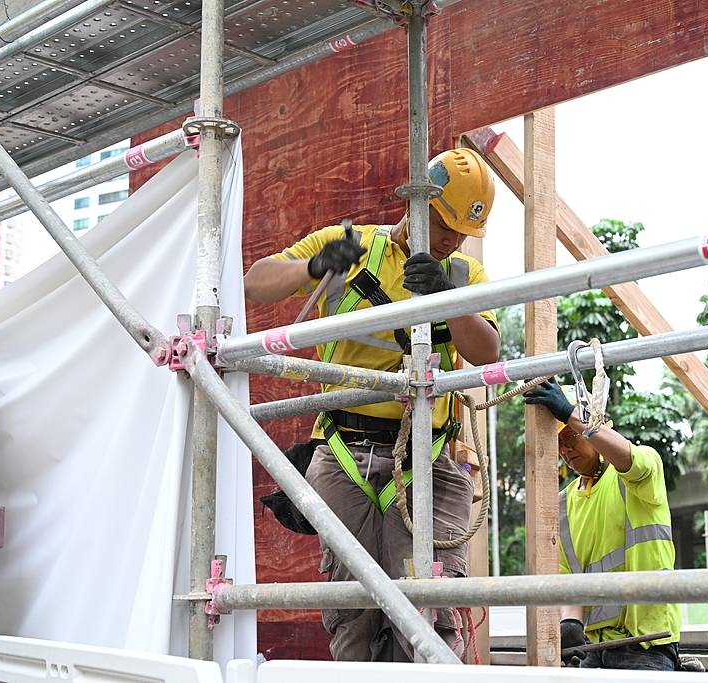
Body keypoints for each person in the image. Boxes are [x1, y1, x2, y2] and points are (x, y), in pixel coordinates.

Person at [244, 148, 501, 662]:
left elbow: (487, 351)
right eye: (443, 224)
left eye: (459, 232)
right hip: (346, 454)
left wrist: (447, 305)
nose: (449, 240)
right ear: (417, 205)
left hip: (427, 456)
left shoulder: (464, 274)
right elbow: (255, 283)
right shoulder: (354, 246)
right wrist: (313, 268)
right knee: (354, 616)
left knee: (428, 621)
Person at [523, 379, 683, 671]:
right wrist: (570, 622)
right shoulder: (564, 503)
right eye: (558, 444)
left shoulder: (641, 472)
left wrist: (572, 414)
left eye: (571, 437)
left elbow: (630, 459)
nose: (566, 450)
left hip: (645, 643)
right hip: (594, 648)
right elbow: (569, 578)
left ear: (594, 426)